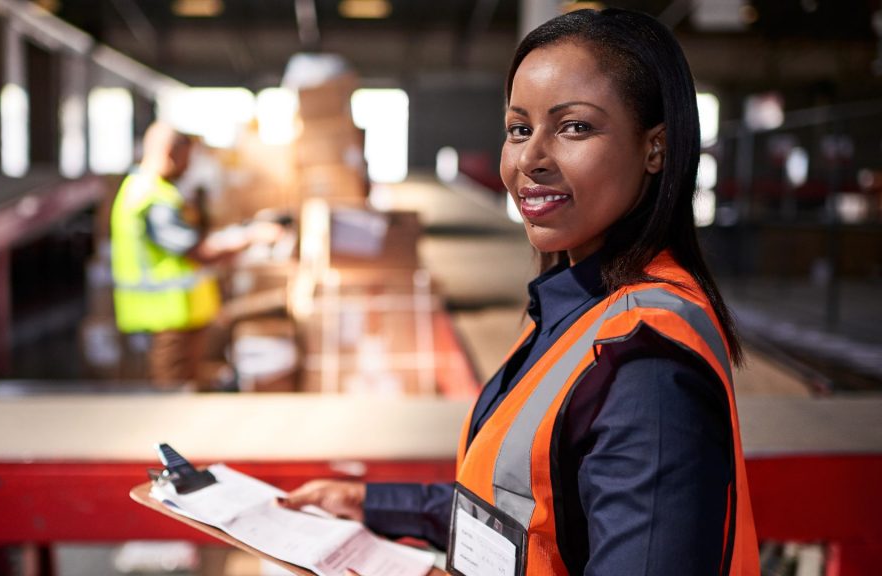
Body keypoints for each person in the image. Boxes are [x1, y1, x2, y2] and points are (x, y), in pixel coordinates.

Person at [281, 8, 759, 576]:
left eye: (575, 126)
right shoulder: (578, 310)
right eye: (519, 128)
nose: (530, 159)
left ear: (655, 148)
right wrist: (373, 505)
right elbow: (521, 510)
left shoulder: (643, 368)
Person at [111, 122, 247, 386]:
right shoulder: (152, 197)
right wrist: (248, 238)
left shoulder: (151, 191)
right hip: (165, 321)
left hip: (174, 318)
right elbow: (196, 251)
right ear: (169, 152)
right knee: (170, 396)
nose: (188, 167)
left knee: (182, 392)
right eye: (186, 158)